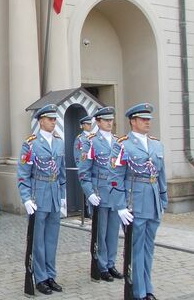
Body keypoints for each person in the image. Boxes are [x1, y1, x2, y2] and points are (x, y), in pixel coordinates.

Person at [111, 103, 167, 300]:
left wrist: (163, 199)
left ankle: (148, 288)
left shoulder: (156, 144)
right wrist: (120, 206)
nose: (147, 122)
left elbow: (161, 175)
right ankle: (139, 291)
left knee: (148, 248)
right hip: (134, 201)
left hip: (152, 201)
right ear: (133, 121)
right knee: (136, 248)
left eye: (148, 119)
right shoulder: (122, 144)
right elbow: (116, 176)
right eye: (143, 119)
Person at [17, 104, 67, 295]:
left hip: (54, 194)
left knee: (51, 239)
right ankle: (40, 277)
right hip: (38, 194)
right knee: (38, 240)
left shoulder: (59, 142)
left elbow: (62, 173)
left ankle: (50, 275)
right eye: (50, 119)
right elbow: (23, 174)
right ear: (40, 121)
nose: (53, 122)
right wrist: (26, 198)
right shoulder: (30, 144)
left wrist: (62, 195)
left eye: (55, 119)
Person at [76, 106, 124, 282]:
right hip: (99, 191)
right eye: (106, 120)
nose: (109, 123)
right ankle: (101, 266)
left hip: (115, 193)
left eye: (111, 120)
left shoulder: (119, 141)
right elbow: (84, 171)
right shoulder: (90, 141)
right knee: (100, 232)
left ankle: (111, 264)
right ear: (97, 122)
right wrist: (89, 192)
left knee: (113, 231)